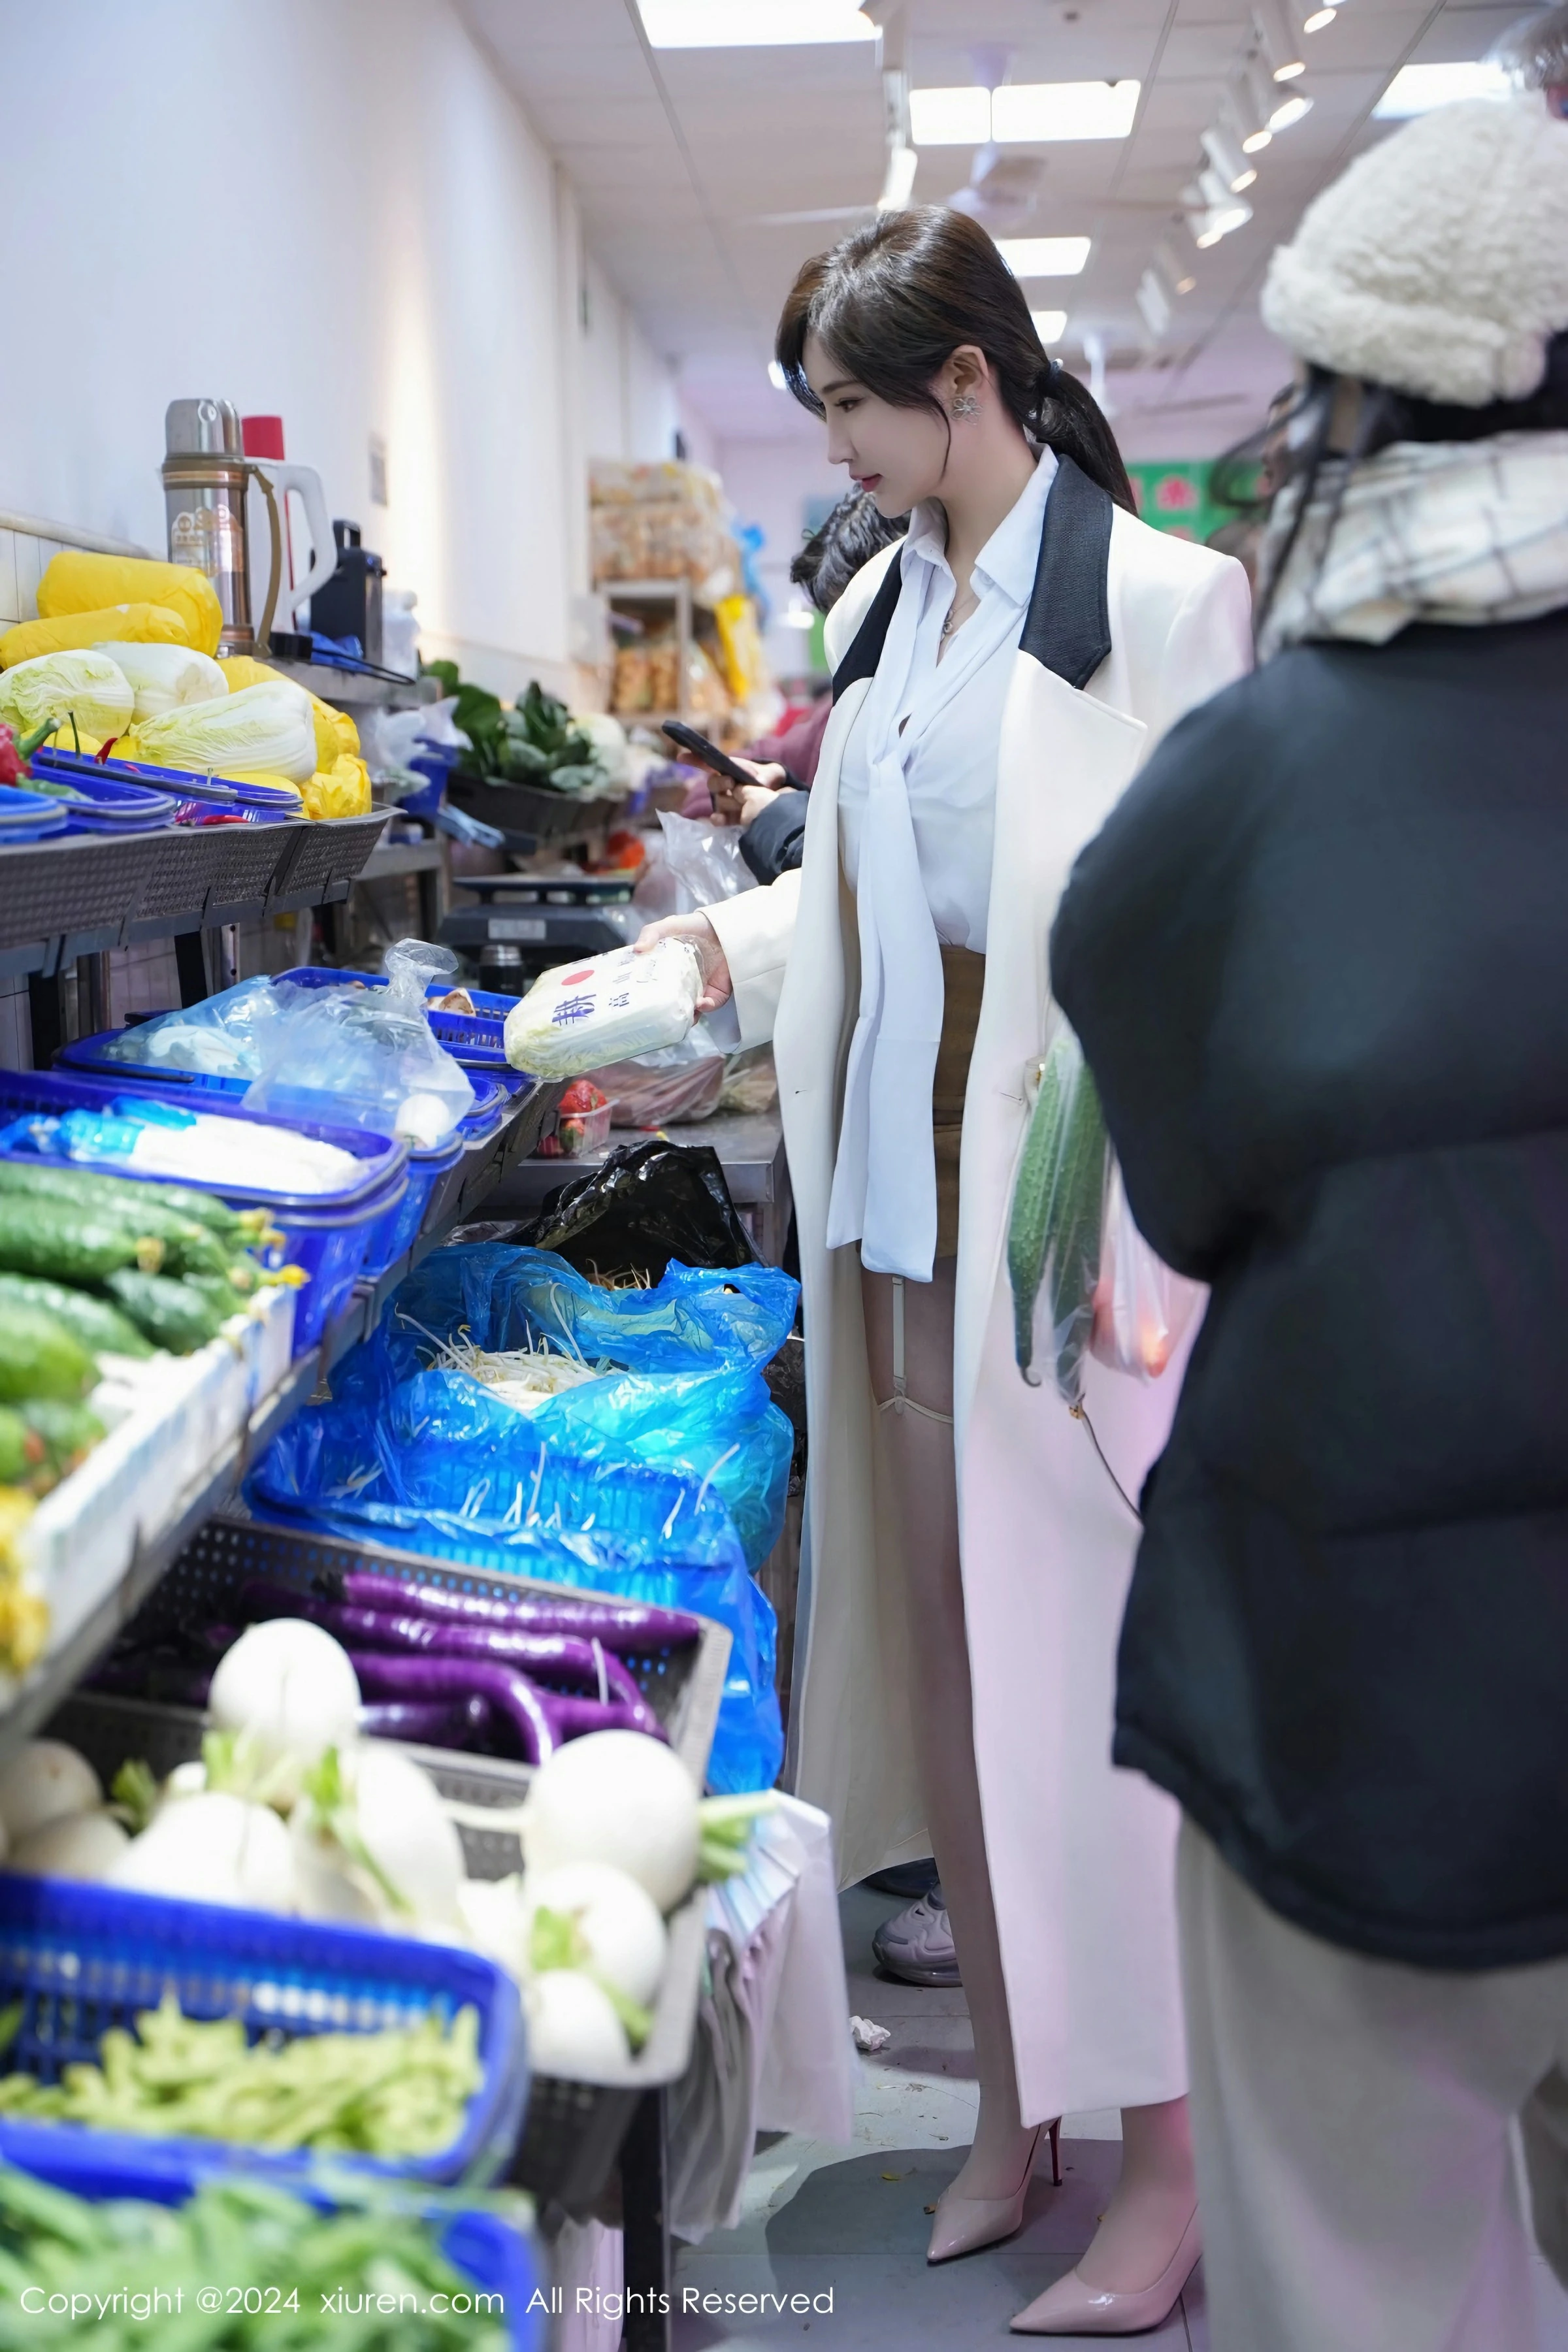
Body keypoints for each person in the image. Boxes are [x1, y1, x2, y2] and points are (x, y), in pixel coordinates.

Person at [638, 204, 1251, 2334]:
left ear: (967, 382)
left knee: (1099, 1714)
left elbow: (1214, 941)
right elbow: (868, 886)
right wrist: (701, 965)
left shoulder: (1162, 603)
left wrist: (1142, 1222)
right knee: (957, 1693)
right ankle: (1015, 2104)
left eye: (852, 409)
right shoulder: (893, 605)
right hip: (897, 1212)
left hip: (1071, 1238)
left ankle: (1170, 2160)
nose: (836, 452)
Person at [1051, 91, 1568, 2351]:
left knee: (1361, 2282)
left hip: (1357, 1698)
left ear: (1354, 402)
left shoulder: (1255, 784)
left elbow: (1173, 1186)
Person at [707, 491, 908, 886]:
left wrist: (778, 816)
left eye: (856, 623)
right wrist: (784, 789)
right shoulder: (842, 715)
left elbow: (875, 871)